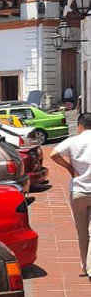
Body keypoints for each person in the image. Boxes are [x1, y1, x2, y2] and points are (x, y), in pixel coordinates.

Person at [51, 113, 91, 278]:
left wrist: (69, 167)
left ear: (80, 126)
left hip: (78, 191)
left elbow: (54, 154)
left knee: (82, 232)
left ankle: (85, 266)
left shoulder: (73, 141)